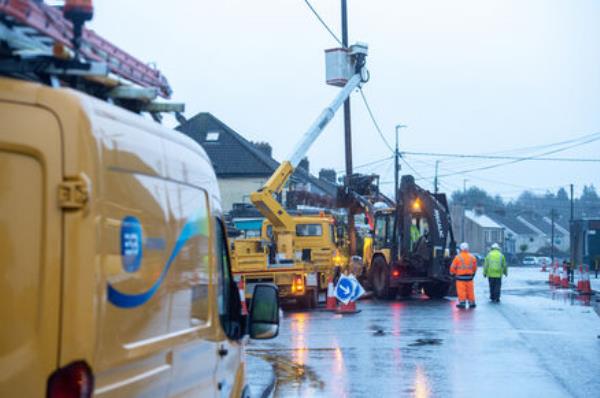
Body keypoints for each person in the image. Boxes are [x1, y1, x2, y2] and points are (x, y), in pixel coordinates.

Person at [450, 242, 478, 309]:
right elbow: (475, 268)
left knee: (461, 291)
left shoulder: (457, 257)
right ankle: (472, 303)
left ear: (460, 249)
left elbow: (453, 267)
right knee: (470, 290)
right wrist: (473, 274)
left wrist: (452, 273)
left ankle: (462, 303)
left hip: (460, 278)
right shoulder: (472, 257)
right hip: (469, 277)